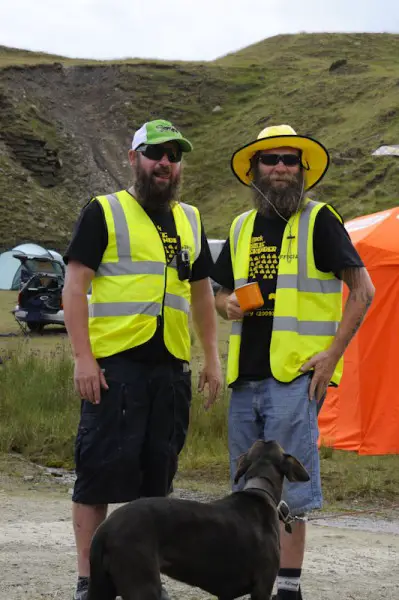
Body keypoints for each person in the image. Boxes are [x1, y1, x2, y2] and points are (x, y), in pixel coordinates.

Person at [212, 124, 375, 600]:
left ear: (302, 171)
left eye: (290, 160)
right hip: (246, 380)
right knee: (246, 489)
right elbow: (220, 293)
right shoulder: (241, 227)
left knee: (289, 495)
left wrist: (332, 356)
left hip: (294, 378)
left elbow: (363, 290)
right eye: (270, 160)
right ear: (255, 171)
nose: (280, 168)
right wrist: (226, 306)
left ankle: (287, 589)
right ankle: (251, 582)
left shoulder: (319, 219)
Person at [62, 119, 222, 600]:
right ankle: (90, 581)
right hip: (114, 371)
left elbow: (200, 295)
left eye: (174, 155)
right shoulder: (104, 212)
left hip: (170, 371)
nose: (165, 163)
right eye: (155, 153)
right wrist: (82, 359)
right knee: (96, 478)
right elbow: (75, 285)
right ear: (133, 158)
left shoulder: (191, 219)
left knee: (156, 486)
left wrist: (211, 358)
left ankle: (142, 580)